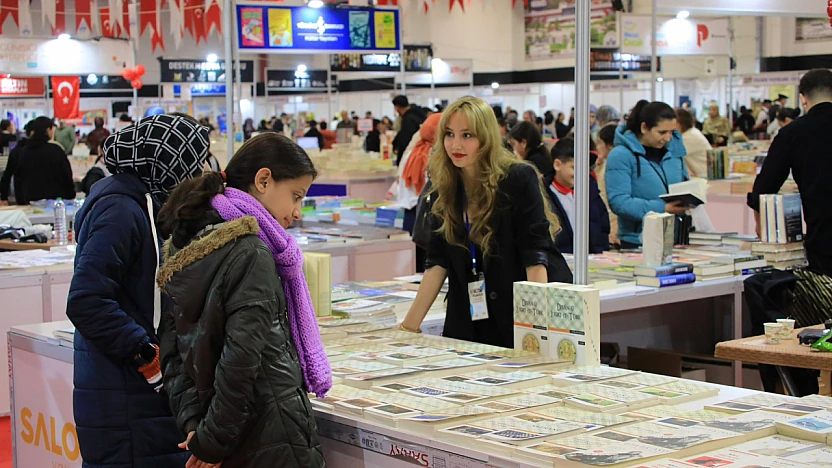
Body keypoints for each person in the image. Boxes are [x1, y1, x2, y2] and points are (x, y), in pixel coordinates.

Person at [156, 133, 329, 467]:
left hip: (223, 429)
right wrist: (212, 441)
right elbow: (240, 363)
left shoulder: (186, 241)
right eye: (295, 196)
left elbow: (172, 347)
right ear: (263, 180)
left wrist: (196, 425)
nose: (296, 212)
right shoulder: (251, 251)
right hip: (269, 435)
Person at [66, 114, 210, 468]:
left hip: (129, 391)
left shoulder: (138, 203)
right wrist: (146, 353)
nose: (198, 176)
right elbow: (86, 300)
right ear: (169, 165)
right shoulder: (122, 209)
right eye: (194, 165)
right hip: (124, 395)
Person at [395, 96, 572, 347]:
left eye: (467, 135)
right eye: (449, 134)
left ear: (486, 138)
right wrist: (407, 328)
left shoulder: (518, 178)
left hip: (519, 314)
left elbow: (535, 256)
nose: (456, 144)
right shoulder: (444, 184)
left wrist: (537, 333)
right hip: (467, 318)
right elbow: (436, 263)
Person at [748, 69, 832, 274]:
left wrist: (760, 223)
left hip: (824, 241)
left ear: (803, 99)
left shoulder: (792, 133)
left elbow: (766, 185)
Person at [605, 101, 690, 249]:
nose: (668, 138)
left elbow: (684, 182)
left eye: (672, 132)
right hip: (637, 241)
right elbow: (619, 202)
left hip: (675, 238)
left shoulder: (674, 153)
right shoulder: (621, 156)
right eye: (662, 132)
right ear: (644, 128)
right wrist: (662, 208)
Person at [544, 136, 610, 254]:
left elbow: (603, 224)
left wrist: (600, 250)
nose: (580, 174)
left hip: (591, 260)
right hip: (560, 261)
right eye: (574, 168)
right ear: (557, 165)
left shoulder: (591, 192)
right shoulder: (544, 195)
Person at [14, 116, 76, 204]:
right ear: (48, 130)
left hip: (31, 200)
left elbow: (18, 178)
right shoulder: (56, 150)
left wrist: (21, 201)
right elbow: (66, 175)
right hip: (56, 201)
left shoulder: (24, 152)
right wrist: (70, 196)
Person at [595, 123, 619, 247]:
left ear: (610, 146)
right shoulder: (604, 164)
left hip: (612, 225)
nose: (598, 147)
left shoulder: (612, 166)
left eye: (600, 143)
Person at [0, 120, 31, 205]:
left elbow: (7, 175)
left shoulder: (16, 150)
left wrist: (3, 196)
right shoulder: (12, 138)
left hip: (19, 193)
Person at [675, 108, 711, 178]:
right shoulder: (692, 133)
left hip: (705, 178)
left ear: (678, 124)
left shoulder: (689, 137)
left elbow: (670, 155)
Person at [392, 95, 427, 165]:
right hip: (423, 154)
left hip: (412, 158)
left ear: (397, 108)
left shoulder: (408, 120)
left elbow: (406, 141)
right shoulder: (419, 114)